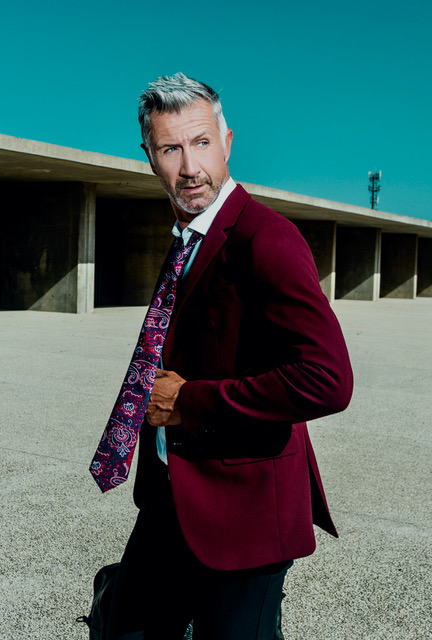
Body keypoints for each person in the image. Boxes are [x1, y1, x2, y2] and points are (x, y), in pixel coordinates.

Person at [95, 72, 353, 639]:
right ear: (149, 157)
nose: (190, 167)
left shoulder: (266, 238)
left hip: (245, 513)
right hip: (171, 497)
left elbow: (327, 379)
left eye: (202, 142)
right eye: (171, 149)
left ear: (227, 142)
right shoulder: (186, 239)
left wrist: (187, 403)